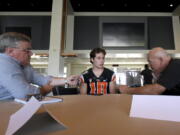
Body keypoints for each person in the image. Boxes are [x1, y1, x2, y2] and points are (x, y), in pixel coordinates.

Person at [0, 32, 79, 100]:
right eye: (27, 50)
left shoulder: (24, 65)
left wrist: (66, 80)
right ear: (10, 51)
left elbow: (43, 80)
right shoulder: (3, 63)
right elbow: (24, 95)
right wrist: (44, 90)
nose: (31, 54)